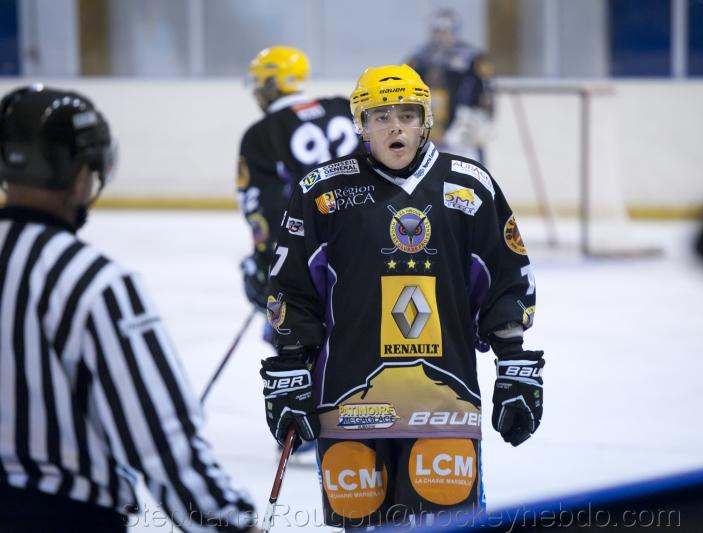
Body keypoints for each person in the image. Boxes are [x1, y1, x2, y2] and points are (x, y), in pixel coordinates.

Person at [259, 65, 544, 530]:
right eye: (381, 116)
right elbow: (292, 288)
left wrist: (514, 362)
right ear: (361, 124)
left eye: (407, 116)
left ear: (425, 120)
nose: (395, 127)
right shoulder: (323, 192)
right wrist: (291, 367)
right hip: (347, 408)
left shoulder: (469, 186)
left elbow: (506, 278)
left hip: (446, 407)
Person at [0, 86, 260, 532]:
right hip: (64, 518)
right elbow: (162, 441)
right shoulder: (93, 282)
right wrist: (230, 523)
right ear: (82, 175)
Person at [237, 45, 359, 325]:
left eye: (258, 84)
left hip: (306, 252)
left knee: (297, 335)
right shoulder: (341, 108)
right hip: (364, 241)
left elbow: (259, 205)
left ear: (272, 83)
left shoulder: (260, 134)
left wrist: (266, 259)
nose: (255, 93)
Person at [406, 7, 494, 163]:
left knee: (466, 166)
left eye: (445, 30)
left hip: (463, 125)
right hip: (429, 125)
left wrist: (480, 120)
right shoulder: (419, 57)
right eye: (436, 30)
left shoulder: (472, 56)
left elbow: (485, 92)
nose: (440, 35)